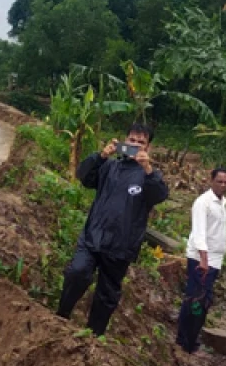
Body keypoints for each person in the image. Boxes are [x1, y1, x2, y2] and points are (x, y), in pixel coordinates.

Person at [56, 123, 169, 335]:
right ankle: (61, 316)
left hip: (121, 246)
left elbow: (159, 195)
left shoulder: (149, 176)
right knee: (77, 272)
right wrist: (100, 156)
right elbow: (84, 176)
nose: (135, 145)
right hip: (93, 237)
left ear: (148, 148)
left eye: (141, 142)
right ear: (125, 141)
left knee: (107, 294)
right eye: (132, 140)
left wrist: (148, 170)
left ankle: (93, 335)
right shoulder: (110, 167)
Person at [176, 168, 226, 353]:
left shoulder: (222, 203)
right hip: (201, 260)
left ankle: (192, 337)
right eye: (219, 181)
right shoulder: (203, 203)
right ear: (211, 181)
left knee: (204, 301)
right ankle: (184, 340)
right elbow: (199, 232)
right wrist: (204, 260)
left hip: (215, 259)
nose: (222, 185)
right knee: (194, 299)